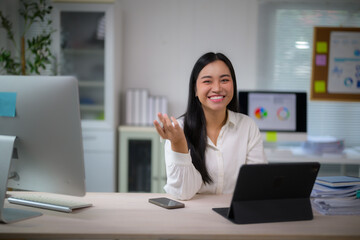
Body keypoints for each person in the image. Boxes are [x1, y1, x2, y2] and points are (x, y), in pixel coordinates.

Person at [153, 52, 267, 200]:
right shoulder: (178, 130)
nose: (217, 88)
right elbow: (183, 193)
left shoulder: (247, 126)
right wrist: (179, 143)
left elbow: (258, 183)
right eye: (207, 81)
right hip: (192, 216)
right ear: (195, 89)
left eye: (224, 80)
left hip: (234, 213)